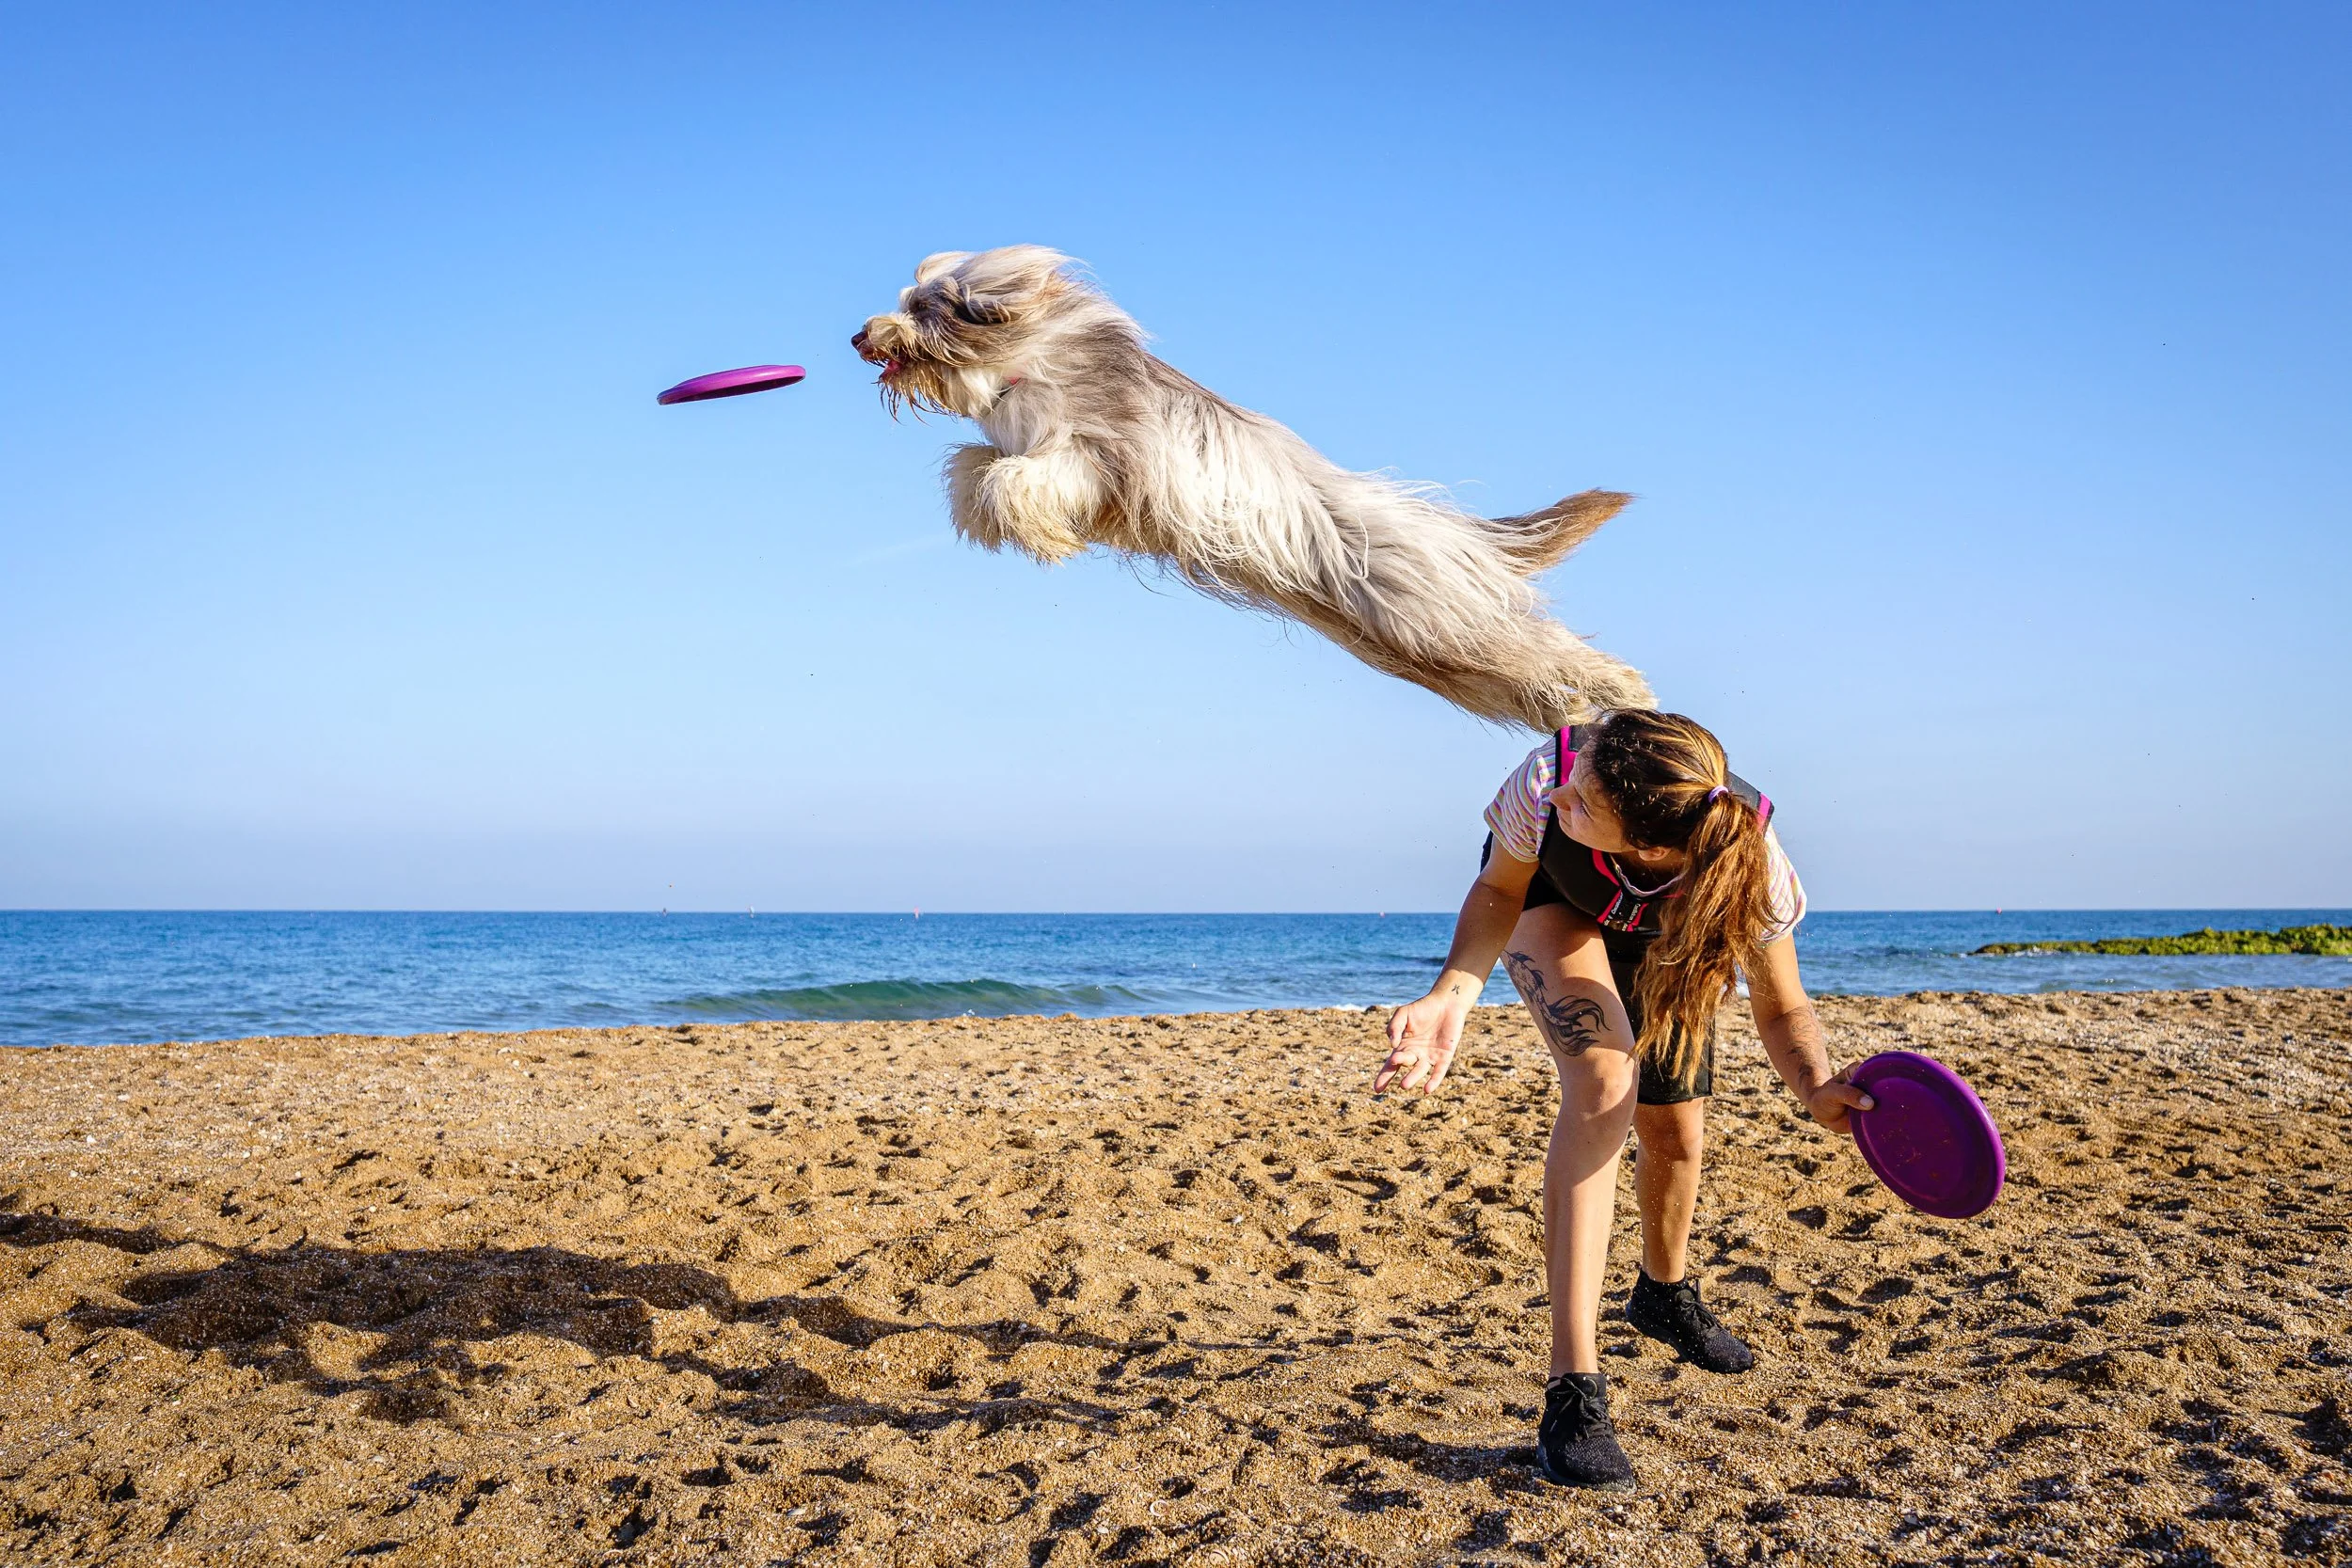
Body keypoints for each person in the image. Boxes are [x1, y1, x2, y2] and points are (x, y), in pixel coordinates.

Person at [1374, 708, 1873, 1491]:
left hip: (1664, 931)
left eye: (1584, 801)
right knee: (1607, 1083)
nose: (1564, 794)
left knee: (1675, 1129)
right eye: (1572, 782)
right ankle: (1573, 1391)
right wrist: (1452, 996)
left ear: (1644, 841)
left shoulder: (1749, 865)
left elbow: (1780, 1007)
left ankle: (1663, 1292)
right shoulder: (1549, 780)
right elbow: (1499, 887)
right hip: (1549, 901)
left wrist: (1813, 1083)